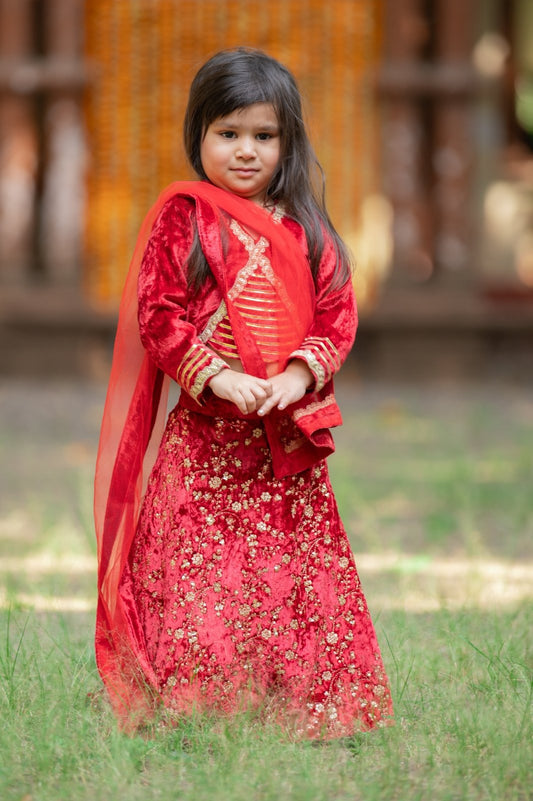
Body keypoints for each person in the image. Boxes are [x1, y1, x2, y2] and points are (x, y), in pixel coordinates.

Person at [94, 47, 392, 740]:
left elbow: (335, 314)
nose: (246, 151)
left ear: (288, 140)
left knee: (286, 573)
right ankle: (196, 703)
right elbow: (158, 312)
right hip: (202, 443)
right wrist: (217, 375)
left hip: (279, 441)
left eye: (264, 136)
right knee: (196, 573)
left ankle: (298, 705)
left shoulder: (306, 226)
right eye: (228, 134)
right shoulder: (184, 218)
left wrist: (294, 376)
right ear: (198, 135)